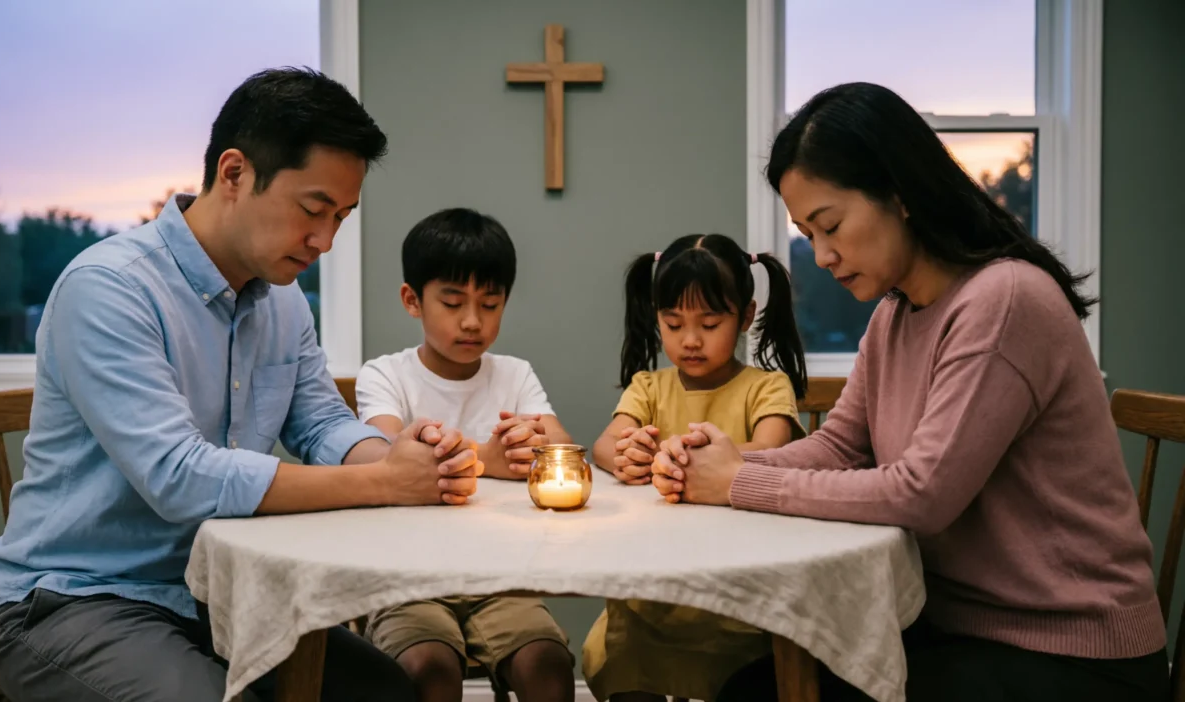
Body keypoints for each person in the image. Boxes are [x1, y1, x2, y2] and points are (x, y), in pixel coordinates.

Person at [651, 83, 1169, 702]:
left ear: (899, 195)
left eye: (830, 225)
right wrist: (717, 462)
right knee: (752, 688)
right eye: (807, 234)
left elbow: (922, 493)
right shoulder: (895, 314)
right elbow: (841, 446)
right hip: (958, 627)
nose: (820, 255)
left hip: (1075, 653)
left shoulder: (1003, 301)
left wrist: (736, 482)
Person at [0, 68, 484, 702]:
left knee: (392, 692)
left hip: (214, 591)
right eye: (313, 210)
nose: (325, 240)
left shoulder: (283, 300)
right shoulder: (109, 288)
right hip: (73, 599)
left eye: (342, 217)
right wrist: (383, 482)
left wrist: (407, 459)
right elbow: (179, 476)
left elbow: (321, 423)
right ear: (235, 173)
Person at [355, 207, 576, 702]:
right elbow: (388, 457)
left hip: (503, 578)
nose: (473, 321)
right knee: (428, 668)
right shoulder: (386, 375)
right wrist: (490, 459)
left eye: (491, 304)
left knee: (549, 665)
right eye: (452, 302)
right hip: (409, 580)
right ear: (412, 300)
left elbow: (560, 449)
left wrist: (536, 445)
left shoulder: (514, 374)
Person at [584, 233, 808, 702]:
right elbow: (604, 446)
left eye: (709, 323)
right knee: (624, 657)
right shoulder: (648, 386)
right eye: (672, 323)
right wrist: (627, 455)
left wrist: (684, 456)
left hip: (739, 595)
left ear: (745, 316)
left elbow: (771, 449)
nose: (689, 340)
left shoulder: (766, 387)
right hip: (654, 594)